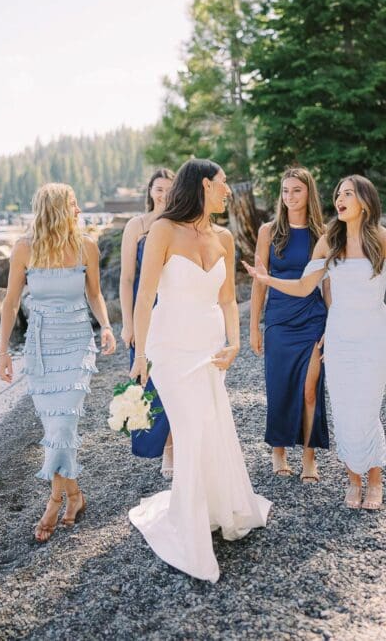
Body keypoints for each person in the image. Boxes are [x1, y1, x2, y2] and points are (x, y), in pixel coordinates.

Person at [243, 175, 386, 511]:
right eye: (337, 193)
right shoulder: (328, 241)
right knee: (343, 411)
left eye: (347, 194)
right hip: (339, 335)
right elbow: (303, 287)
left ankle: (375, 481)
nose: (339, 199)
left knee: (366, 410)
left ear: (365, 201)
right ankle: (354, 480)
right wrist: (267, 279)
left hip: (374, 336)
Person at [128, 158, 271, 582]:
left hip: (210, 348)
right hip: (170, 349)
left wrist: (235, 342)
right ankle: (188, 530)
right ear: (205, 185)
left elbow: (228, 299)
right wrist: (139, 356)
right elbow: (144, 296)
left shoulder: (224, 237)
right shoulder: (163, 231)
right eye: (223, 184)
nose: (228, 191)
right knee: (189, 428)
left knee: (212, 424)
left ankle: (213, 506)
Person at [0, 183, 117, 542]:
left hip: (77, 344)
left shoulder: (86, 246)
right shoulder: (24, 248)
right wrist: (4, 351)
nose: (79, 211)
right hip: (41, 350)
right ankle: (75, 495)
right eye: (74, 205)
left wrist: (107, 326)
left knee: (64, 426)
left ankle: (53, 501)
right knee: (55, 430)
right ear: (56, 209)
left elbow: (94, 293)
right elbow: (11, 303)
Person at [250, 167, 330, 481]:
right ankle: (279, 450)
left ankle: (309, 457)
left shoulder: (322, 234)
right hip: (279, 321)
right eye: (285, 191)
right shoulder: (268, 231)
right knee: (279, 388)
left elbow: (327, 284)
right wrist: (254, 325)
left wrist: (333, 326)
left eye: (296, 190)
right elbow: (259, 283)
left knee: (310, 390)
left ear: (309, 192)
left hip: (312, 318)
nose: (290, 197)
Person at [119, 168, 175, 476]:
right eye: (158, 188)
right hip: (144, 312)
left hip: (173, 309)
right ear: (150, 192)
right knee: (147, 382)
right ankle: (157, 445)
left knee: (174, 380)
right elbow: (127, 279)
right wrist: (127, 324)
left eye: (169, 188)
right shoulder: (136, 226)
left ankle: (171, 448)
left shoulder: (180, 224)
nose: (163, 193)